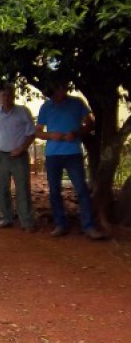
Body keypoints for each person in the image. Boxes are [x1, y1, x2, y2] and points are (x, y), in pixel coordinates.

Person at [36, 80, 106, 239]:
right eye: (57, 89)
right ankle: (60, 224)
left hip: (73, 153)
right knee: (54, 191)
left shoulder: (77, 103)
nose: (60, 91)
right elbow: (38, 132)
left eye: (62, 88)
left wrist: (76, 133)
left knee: (81, 189)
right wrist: (50, 135)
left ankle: (88, 226)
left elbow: (90, 123)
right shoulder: (46, 106)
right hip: (53, 154)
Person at [0, 82, 37, 231]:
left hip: (19, 155)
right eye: (3, 95)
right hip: (1, 155)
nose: (6, 98)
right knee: (2, 188)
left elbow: (31, 133)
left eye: (9, 94)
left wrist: (22, 148)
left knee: (22, 189)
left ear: (14, 95)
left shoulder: (23, 112)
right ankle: (5, 218)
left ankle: (27, 222)